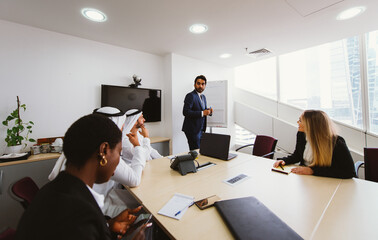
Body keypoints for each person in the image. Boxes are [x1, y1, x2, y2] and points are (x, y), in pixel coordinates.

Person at [16, 114, 148, 239]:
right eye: (118, 153)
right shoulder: (79, 215)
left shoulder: (55, 190)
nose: (119, 161)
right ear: (103, 150)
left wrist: (108, 225)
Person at [48, 107, 149, 217]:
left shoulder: (79, 152)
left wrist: (110, 225)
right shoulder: (80, 212)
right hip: (105, 204)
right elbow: (134, 179)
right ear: (104, 150)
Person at [273, 110, 356, 179]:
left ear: (310, 125)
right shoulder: (301, 135)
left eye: (300, 120)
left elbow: (349, 172)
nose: (297, 122)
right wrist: (285, 161)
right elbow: (297, 155)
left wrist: (312, 171)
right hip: (306, 179)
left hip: (326, 181)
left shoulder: (336, 143)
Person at [182, 75, 213, 150]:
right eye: (198, 83)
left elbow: (202, 109)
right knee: (196, 152)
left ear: (205, 85)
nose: (200, 86)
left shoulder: (203, 97)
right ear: (194, 84)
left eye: (203, 84)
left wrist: (209, 111)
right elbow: (185, 112)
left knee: (201, 151)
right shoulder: (190, 96)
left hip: (201, 129)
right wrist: (202, 113)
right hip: (192, 130)